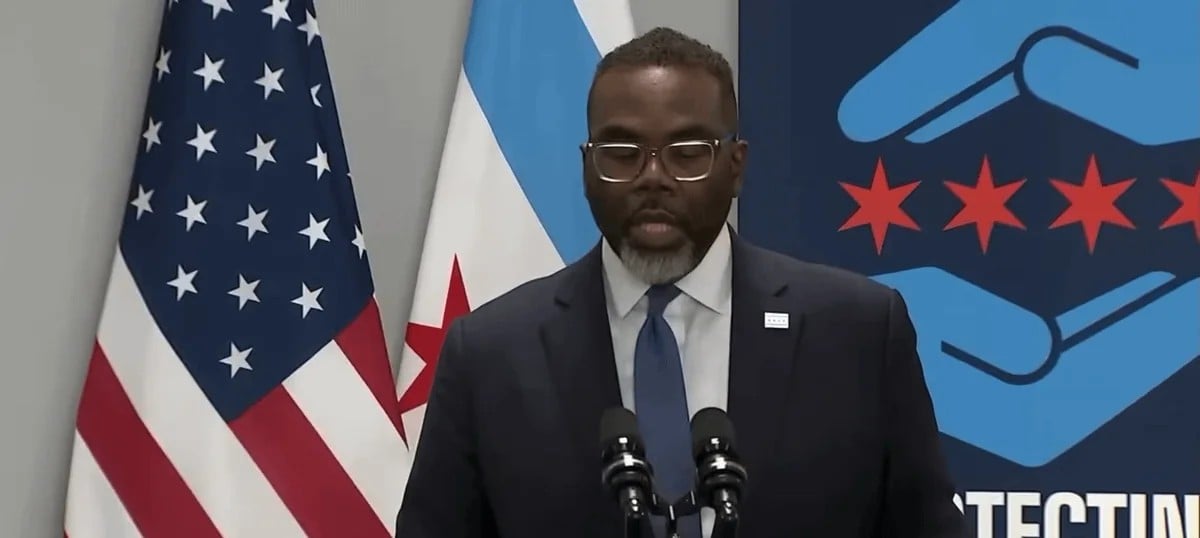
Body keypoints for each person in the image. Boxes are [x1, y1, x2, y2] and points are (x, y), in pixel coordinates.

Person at [395, 27, 965, 537]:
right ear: (587, 166)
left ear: (736, 166)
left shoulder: (857, 331)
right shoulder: (492, 353)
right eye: (621, 153)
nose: (653, 178)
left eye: (687, 153)